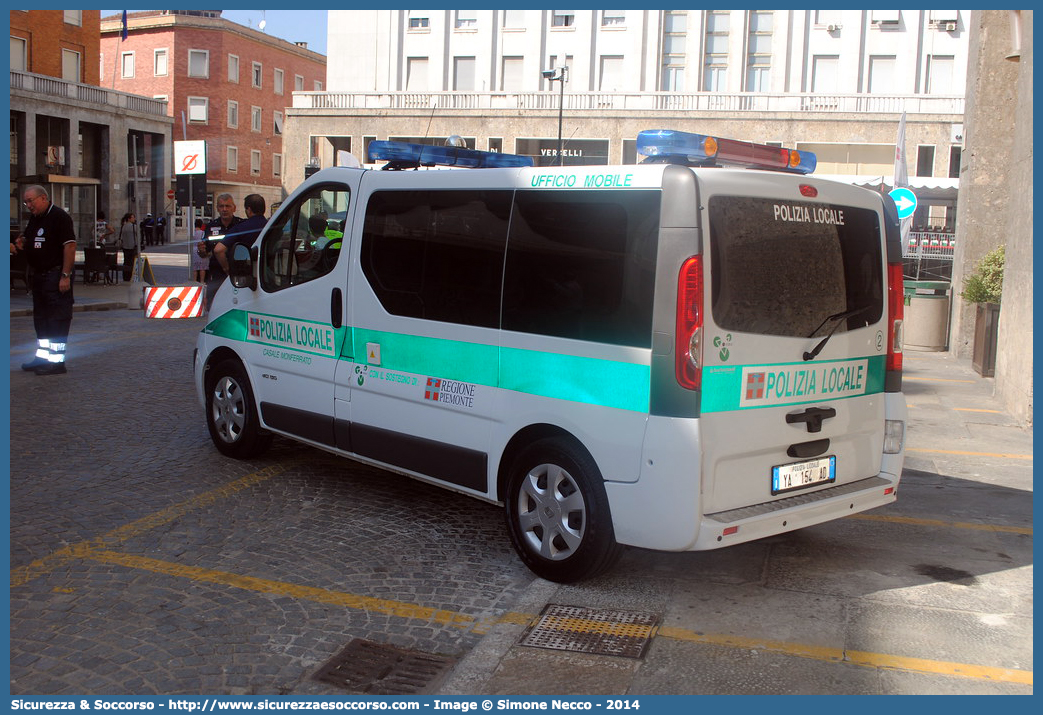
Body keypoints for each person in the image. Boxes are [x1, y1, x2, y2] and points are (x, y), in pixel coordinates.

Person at [13, 185, 77, 375]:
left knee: (57, 319)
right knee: (41, 319)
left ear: (43, 198)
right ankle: (42, 357)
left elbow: (70, 247)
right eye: (26, 202)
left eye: (30, 201)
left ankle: (57, 363)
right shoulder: (36, 218)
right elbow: (32, 239)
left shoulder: (59, 217)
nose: (28, 205)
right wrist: (23, 242)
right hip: (39, 276)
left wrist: (65, 275)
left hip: (55, 275)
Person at [208, 194, 267, 309]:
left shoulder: (241, 227)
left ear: (248, 209)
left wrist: (227, 268)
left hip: (242, 276)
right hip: (266, 276)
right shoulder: (271, 225)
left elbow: (218, 249)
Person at [203, 193, 243, 310]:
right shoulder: (211, 227)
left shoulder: (241, 225)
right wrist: (201, 251)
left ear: (234, 208)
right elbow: (205, 253)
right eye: (221, 206)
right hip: (217, 273)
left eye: (227, 206)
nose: (224, 209)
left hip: (237, 272)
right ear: (217, 208)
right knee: (214, 305)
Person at [117, 212, 139, 282]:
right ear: (129, 219)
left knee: (126, 262)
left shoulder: (123, 226)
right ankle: (131, 276)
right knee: (132, 262)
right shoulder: (133, 226)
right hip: (132, 246)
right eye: (133, 217)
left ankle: (125, 276)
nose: (134, 219)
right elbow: (138, 236)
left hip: (125, 246)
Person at [192, 218, 209, 284]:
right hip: (201, 249)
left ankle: (194, 281)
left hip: (193, 250)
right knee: (202, 267)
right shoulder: (202, 232)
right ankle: (202, 281)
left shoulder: (192, 233)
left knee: (195, 268)